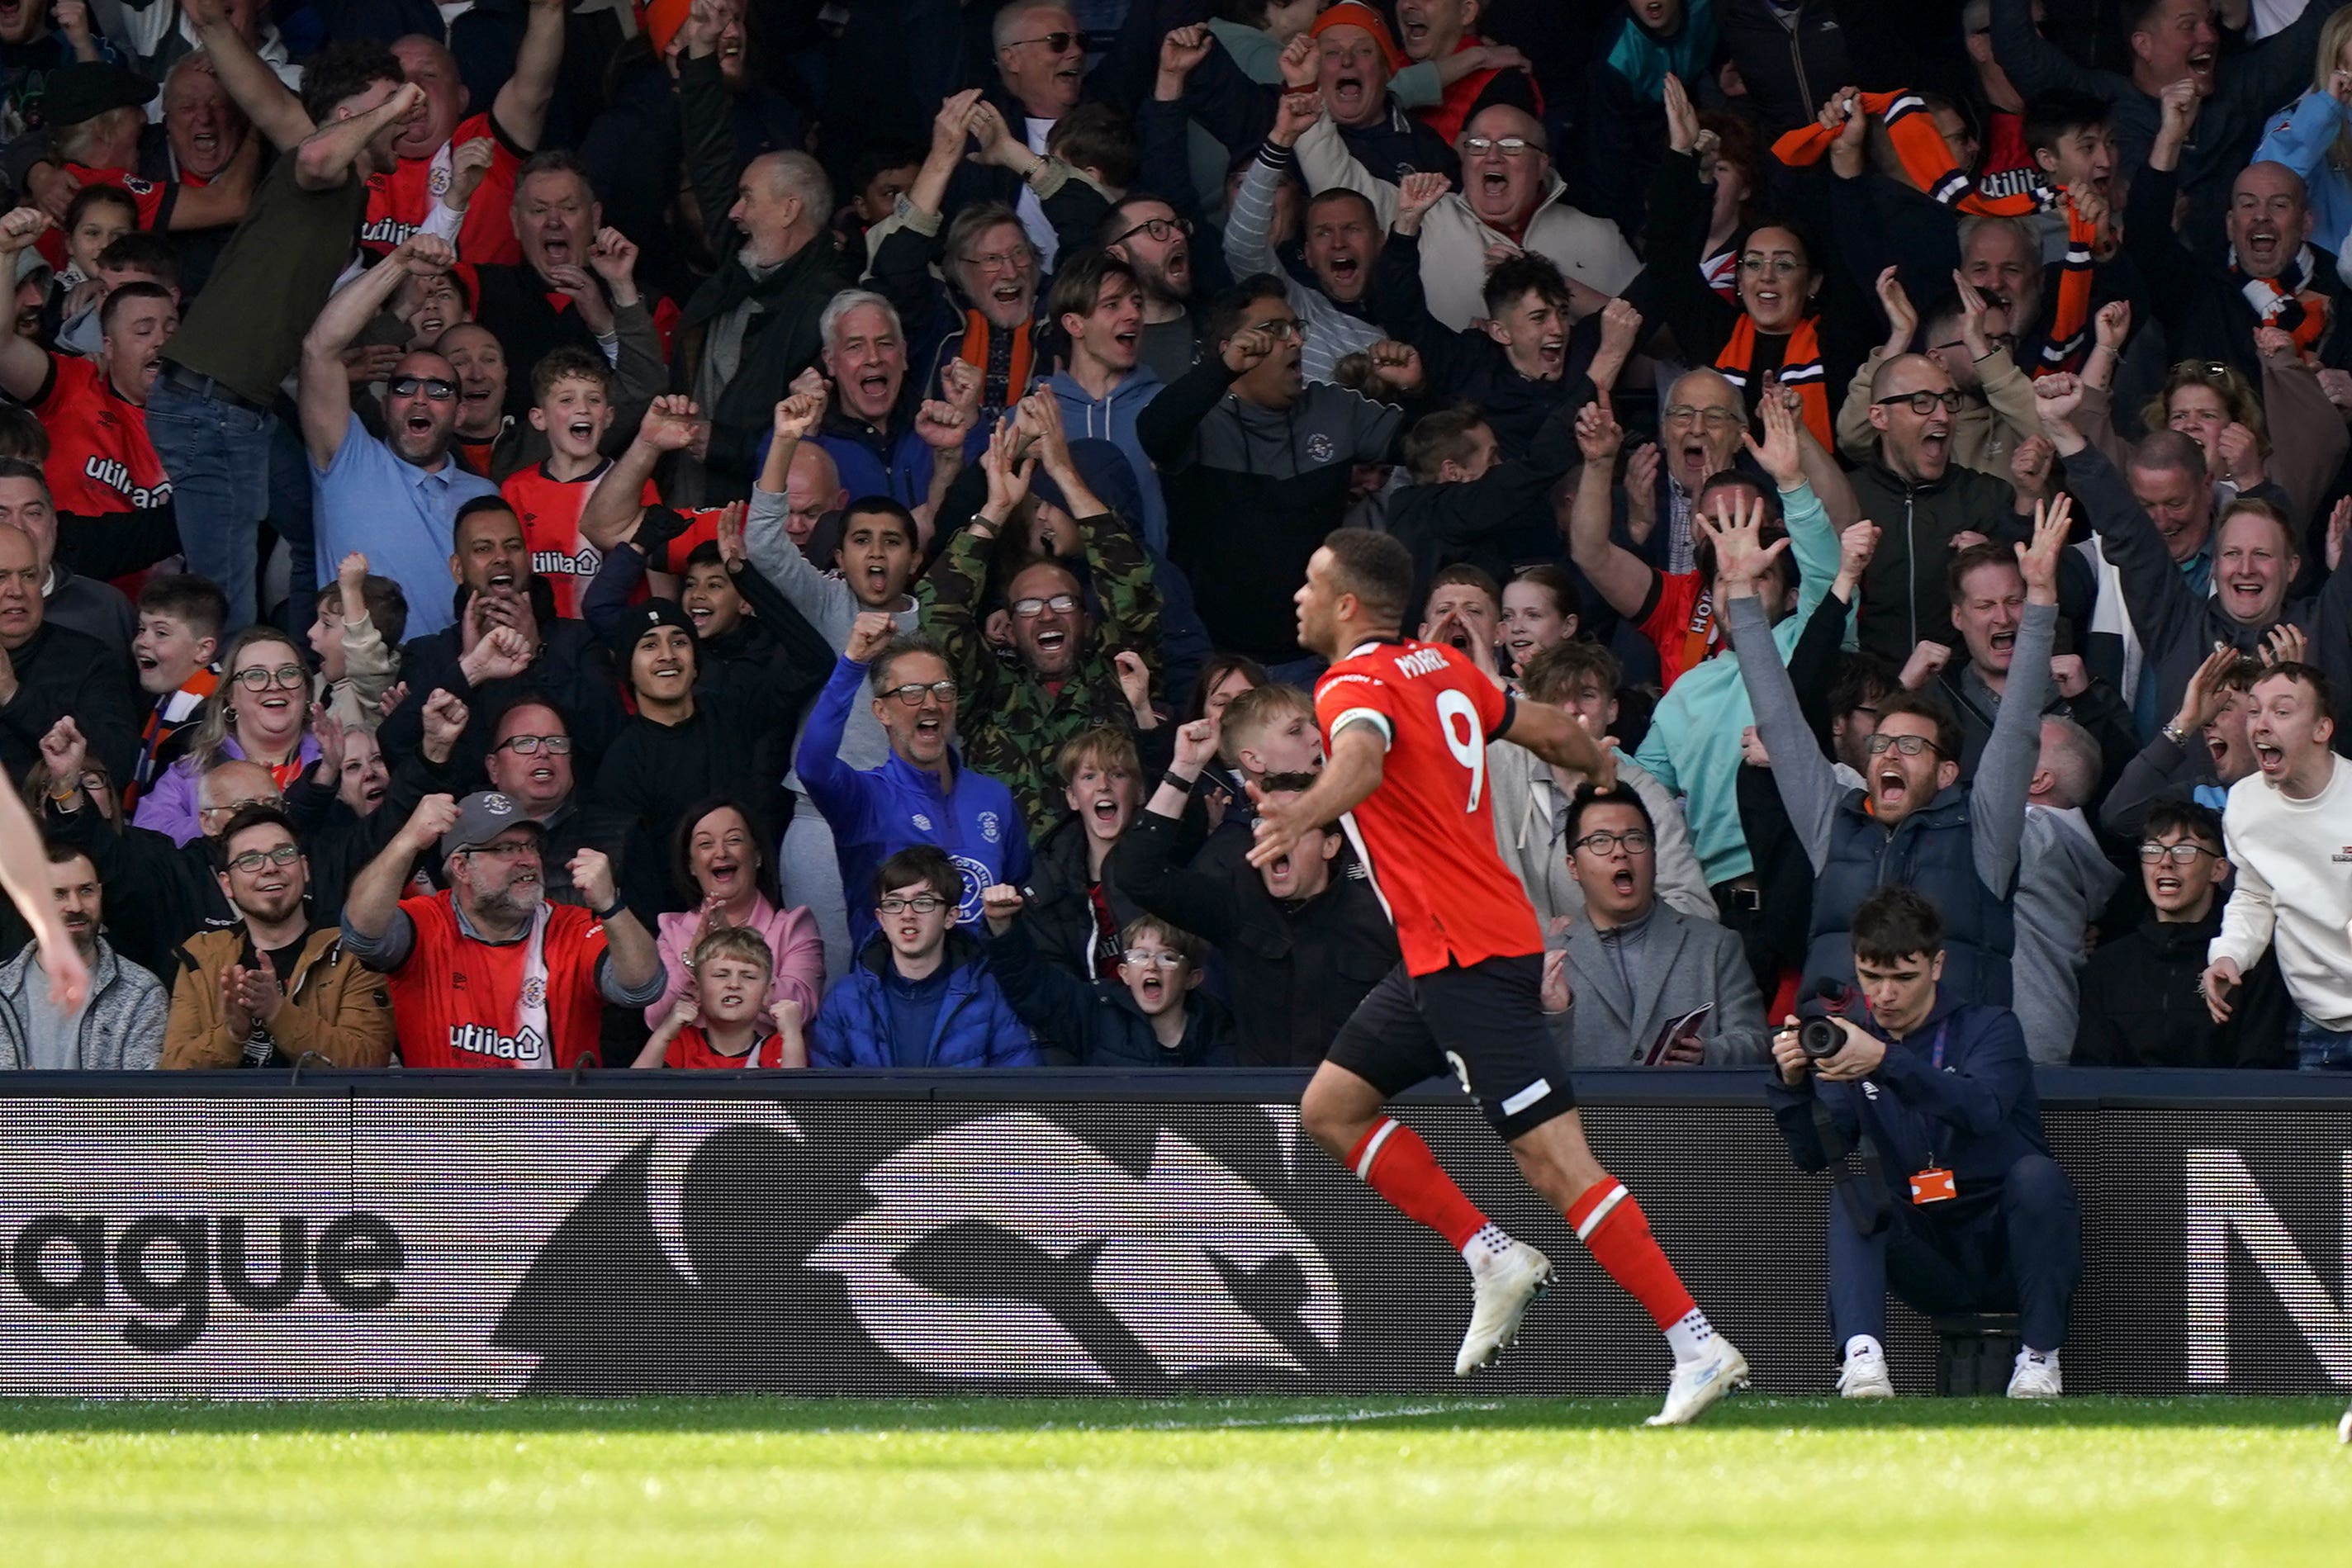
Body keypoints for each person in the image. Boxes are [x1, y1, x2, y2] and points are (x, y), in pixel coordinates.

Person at [1248, 527, 1746, 1424]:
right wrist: (1597, 761)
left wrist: (1300, 817)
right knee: (1331, 1108)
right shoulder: (1442, 671)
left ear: (1349, 604)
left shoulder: (1350, 684)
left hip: (1469, 959)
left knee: (1557, 1166)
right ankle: (1489, 1253)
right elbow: (1546, 726)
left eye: (1312, 581)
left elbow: (1358, 762)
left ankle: (1695, 1341)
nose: (1299, 595)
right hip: (1444, 955)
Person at [1726, 490, 2060, 1005]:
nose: (1888, 755)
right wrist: (1743, 595)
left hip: (1949, 1067)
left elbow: (2017, 730)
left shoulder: (1983, 834)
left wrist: (2038, 601)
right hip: (1843, 1065)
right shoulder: (1831, 826)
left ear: (1947, 772)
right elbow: (1780, 720)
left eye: (1910, 745)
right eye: (1882, 742)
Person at [145, 46, 422, 636]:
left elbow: (269, 101)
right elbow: (319, 149)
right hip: (209, 408)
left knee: (308, 527)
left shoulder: (336, 175)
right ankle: (215, 715)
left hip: (244, 411)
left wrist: (216, 28)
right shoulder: (323, 166)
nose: (403, 117)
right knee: (222, 608)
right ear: (349, 119)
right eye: (390, 106)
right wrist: (390, 106)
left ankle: (296, 664)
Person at [1767, 885, 2079, 1400]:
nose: (1885, 995)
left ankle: (2040, 1360)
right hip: (1929, 1253)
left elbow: (1981, 1110)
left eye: (1902, 977)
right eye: (1872, 977)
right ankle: (1862, 1362)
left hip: (2009, 1247)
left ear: (1938, 965)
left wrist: (1886, 1062)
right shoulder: (1854, 1041)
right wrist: (1793, 1086)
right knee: (1855, 1194)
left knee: (2036, 1176)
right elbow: (1814, 1155)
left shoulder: (1990, 1027)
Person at [744, 389, 926, 979]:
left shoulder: (937, 624)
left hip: (911, 818)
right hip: (820, 821)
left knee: (910, 971)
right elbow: (765, 543)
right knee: (822, 976)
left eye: (892, 541)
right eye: (861, 540)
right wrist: (787, 437)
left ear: (914, 559)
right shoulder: (825, 601)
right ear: (840, 556)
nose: (876, 553)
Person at [1139, 276, 1406, 665]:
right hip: (1222, 661)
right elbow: (1154, 432)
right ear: (1231, 350)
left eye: (1296, 329)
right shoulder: (1201, 421)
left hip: (1317, 653)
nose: (1297, 341)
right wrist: (1220, 370)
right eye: (1276, 332)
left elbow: (1425, 448)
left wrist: (1418, 389)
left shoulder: (1333, 408)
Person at [922, 403, 1159, 836]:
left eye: (1063, 603)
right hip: (1011, 892)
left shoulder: (1117, 678)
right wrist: (994, 509)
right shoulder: (986, 691)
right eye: (1029, 608)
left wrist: (1063, 471)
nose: (1047, 614)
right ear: (1008, 628)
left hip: (1104, 884)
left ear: (1087, 619)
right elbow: (939, 609)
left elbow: (1133, 587)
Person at [343, 789, 664, 1068]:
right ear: (461, 867)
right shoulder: (427, 922)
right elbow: (361, 933)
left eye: (530, 846)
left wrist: (610, 905)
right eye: (506, 849)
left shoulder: (571, 928)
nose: (527, 860)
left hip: (554, 1135)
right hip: (445, 1136)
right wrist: (408, 840)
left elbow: (643, 987)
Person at [297, 233, 502, 637]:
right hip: (357, 686)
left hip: (451, 685)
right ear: (386, 402)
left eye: (440, 389)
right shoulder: (348, 459)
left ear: (460, 411)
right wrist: (398, 264)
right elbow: (319, 348)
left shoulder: (484, 498)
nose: (420, 398)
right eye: (405, 387)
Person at [795, 613, 1031, 956]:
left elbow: (1019, 894)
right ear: (881, 712)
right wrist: (852, 664)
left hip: (987, 998)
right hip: (894, 998)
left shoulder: (993, 797)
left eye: (943, 690)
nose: (931, 703)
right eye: (911, 693)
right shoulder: (867, 800)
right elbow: (813, 766)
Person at [1298, 94, 1635, 332]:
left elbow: (1659, 339)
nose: (1492, 157)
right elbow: (1340, 189)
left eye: (1512, 146)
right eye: (1477, 145)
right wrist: (1303, 93)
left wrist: (1549, 281)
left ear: (1542, 163)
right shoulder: (1423, 216)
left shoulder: (1598, 234)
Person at [0, 206, 177, 582]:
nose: (160, 342)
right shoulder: (72, 383)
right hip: (63, 591)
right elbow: (1, 348)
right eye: (143, 331)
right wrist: (5, 255)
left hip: (162, 620)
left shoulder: (209, 416)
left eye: (170, 331)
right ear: (108, 344)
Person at [671, 150, 854, 505]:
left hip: (755, 516)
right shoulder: (738, 275)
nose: (734, 212)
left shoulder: (830, 307)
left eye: (747, 198)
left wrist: (723, 445)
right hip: (692, 500)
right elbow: (710, 160)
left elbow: (829, 433)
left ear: (789, 209)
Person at [1490, 641, 1714, 928]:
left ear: (1612, 710)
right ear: (1536, 707)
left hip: (1610, 968)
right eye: (1556, 697)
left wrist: (1593, 937)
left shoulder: (1643, 793)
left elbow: (1695, 909)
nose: (1571, 710)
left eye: (1587, 695)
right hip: (1516, 964)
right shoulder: (1498, 764)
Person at [1544, 784, 1766, 1068]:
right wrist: (1554, 1018)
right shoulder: (1549, 963)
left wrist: (1708, 1055)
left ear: (1654, 855)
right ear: (1572, 866)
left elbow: (1757, 1043)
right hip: (1588, 1113)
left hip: (1688, 1110)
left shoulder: (1715, 946)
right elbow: (1522, 1072)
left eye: (1635, 839)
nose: (1620, 852)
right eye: (1600, 841)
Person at [159, 803, 394, 1068]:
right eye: (250, 860)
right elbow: (173, 1080)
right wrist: (232, 1034)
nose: (270, 868)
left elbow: (368, 1064)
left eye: (283, 854)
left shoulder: (352, 953)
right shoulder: (201, 959)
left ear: (304, 869)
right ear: (227, 885)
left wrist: (277, 1011)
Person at [2202, 661, 2352, 1071]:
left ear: (2322, 730)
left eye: (2282, 712)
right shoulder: (2247, 803)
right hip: (2318, 1024)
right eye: (2254, 711)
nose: (2261, 725)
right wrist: (2230, 955)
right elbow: (2253, 894)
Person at [2075, 800, 2291, 1068]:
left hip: (2223, 1109)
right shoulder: (2108, 965)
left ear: (2219, 869)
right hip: (2127, 1110)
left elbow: (2260, 1069)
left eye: (2184, 849)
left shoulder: (2250, 964)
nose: (2165, 861)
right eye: (2153, 849)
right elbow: (2091, 1071)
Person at [808, 846, 1039, 1068]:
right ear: (881, 919)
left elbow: (1018, 1091)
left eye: (923, 902)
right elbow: (821, 1097)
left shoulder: (990, 994)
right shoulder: (844, 998)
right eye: (894, 903)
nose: (907, 914)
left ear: (950, 917)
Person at [981, 885, 1232, 1067]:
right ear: (1124, 973)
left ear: (1192, 978)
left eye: (1167, 957)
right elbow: (1032, 986)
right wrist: (1003, 927)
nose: (1151, 967)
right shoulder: (1097, 1013)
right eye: (1140, 956)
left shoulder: (1218, 1030)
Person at [643, 796, 825, 1032]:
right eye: (706, 844)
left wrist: (735, 949)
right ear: (691, 866)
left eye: (734, 840)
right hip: (691, 1068)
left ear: (757, 856)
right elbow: (656, 1019)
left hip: (768, 1067)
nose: (721, 852)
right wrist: (693, 961)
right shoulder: (671, 929)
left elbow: (801, 1010)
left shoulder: (795, 926)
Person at [133, 625, 318, 846]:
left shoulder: (337, 760)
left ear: (306, 689)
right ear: (231, 696)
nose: (274, 685)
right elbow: (146, 839)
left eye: (288, 673)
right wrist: (220, 822)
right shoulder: (192, 769)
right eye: (255, 675)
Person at [0, 515, 140, 786]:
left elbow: (119, 764)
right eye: (0, 577)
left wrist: (13, 696)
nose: (16, 591)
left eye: (29, 576)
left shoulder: (89, 658)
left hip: (56, 823)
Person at [0, 841, 164, 1068]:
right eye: (59, 894)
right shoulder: (2, 990)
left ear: (100, 893)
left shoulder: (141, 993)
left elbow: (142, 1097)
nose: (75, 906)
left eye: (86, 891)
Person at [635, 926, 806, 1069]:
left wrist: (792, 1036)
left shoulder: (777, 1047)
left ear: (768, 993)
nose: (734, 984)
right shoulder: (683, 1043)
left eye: (748, 976)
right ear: (697, 988)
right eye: (721, 975)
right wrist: (663, 1034)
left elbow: (795, 1105)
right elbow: (632, 1099)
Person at [126, 571, 223, 811]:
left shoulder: (213, 722)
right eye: (141, 629)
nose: (143, 642)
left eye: (161, 633)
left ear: (203, 649)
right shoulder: (154, 704)